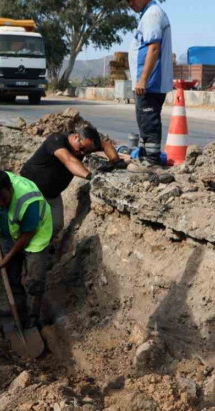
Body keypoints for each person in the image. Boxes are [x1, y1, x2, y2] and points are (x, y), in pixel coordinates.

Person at [20, 124, 120, 238]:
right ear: (76, 137)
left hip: (51, 195)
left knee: (56, 225)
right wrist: (91, 177)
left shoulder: (86, 144)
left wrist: (114, 161)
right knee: (25, 222)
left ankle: (38, 245)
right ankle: (20, 247)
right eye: (82, 149)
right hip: (29, 188)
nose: (83, 153)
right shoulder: (56, 140)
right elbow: (69, 160)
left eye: (87, 152)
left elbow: (105, 145)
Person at [0, 170, 52, 327]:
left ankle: (34, 320)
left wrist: (8, 256)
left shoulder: (29, 199)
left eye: (4, 199)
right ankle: (20, 318)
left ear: (10, 188)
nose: (0, 203)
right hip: (8, 235)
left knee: (35, 280)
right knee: (12, 277)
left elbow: (27, 234)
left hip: (35, 235)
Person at [127, 0, 173, 168]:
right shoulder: (148, 13)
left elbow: (154, 48)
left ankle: (152, 162)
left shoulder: (152, 14)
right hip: (147, 82)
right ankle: (145, 156)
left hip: (151, 82)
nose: (129, 4)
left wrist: (143, 79)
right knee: (144, 121)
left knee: (149, 120)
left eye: (131, 0)